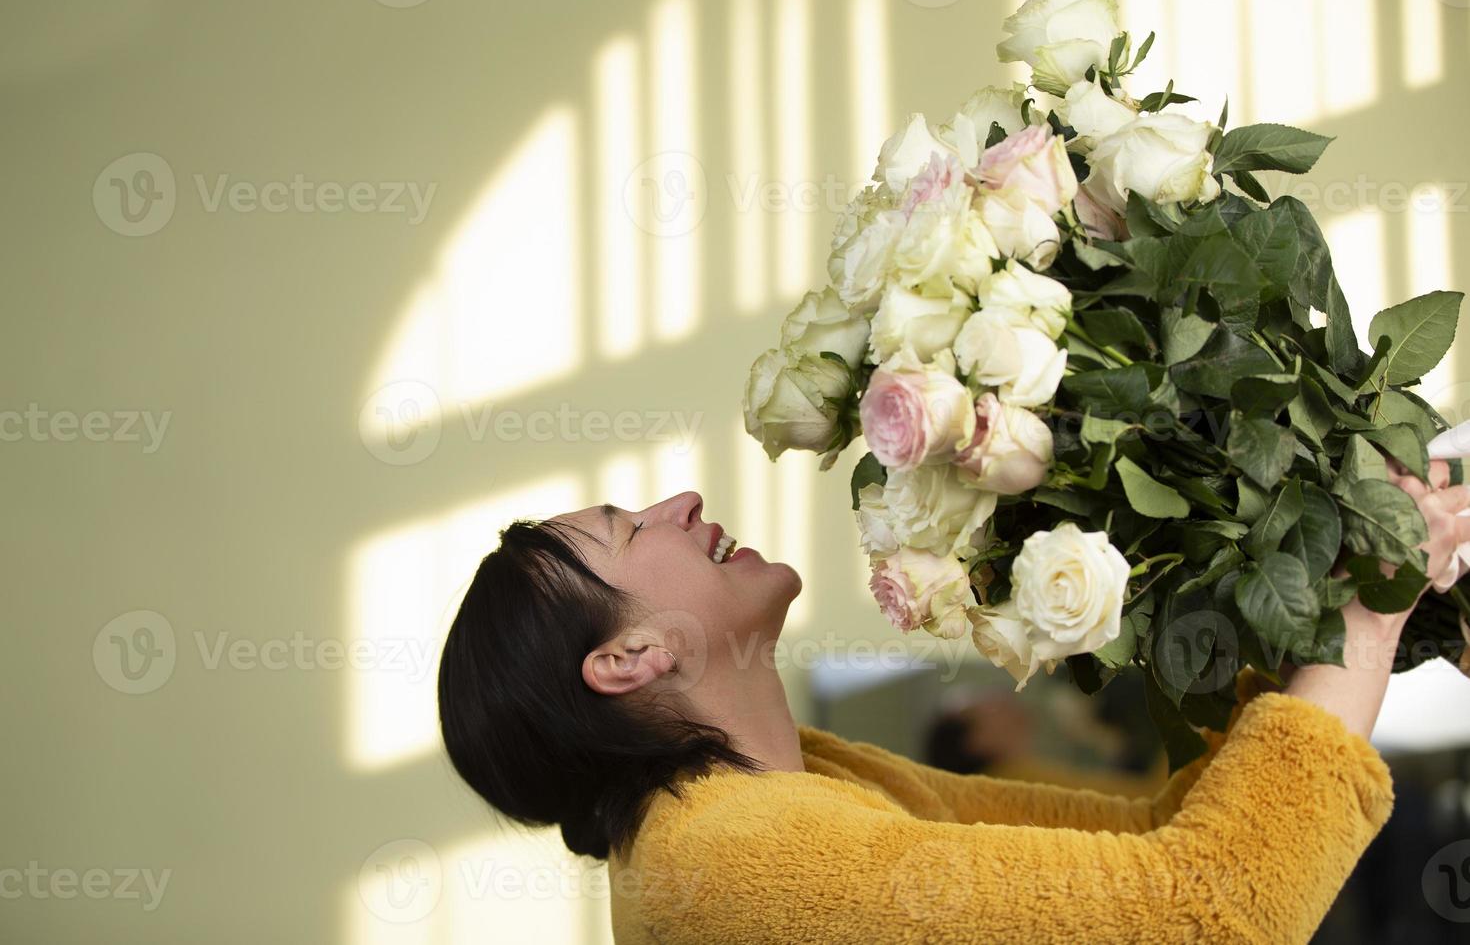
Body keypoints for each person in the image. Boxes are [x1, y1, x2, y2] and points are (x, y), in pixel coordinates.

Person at [436, 464, 1470, 944]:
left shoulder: (797, 782)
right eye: (630, 529)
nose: (682, 503)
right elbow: (1217, 911)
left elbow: (1163, 840)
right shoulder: (727, 861)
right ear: (630, 655)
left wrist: (1278, 611)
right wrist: (1369, 619)